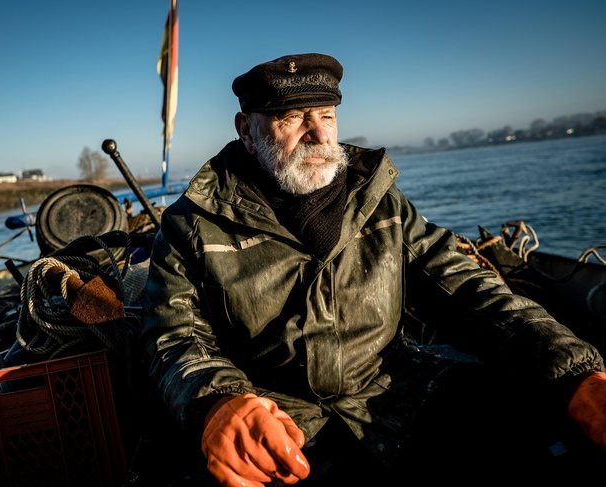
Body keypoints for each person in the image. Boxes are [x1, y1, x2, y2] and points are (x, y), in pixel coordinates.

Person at [138, 53, 606, 485]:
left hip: (396, 392)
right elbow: (175, 336)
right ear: (246, 129)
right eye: (291, 117)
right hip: (275, 416)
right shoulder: (192, 222)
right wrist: (217, 403)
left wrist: (574, 373)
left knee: (541, 433)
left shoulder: (379, 198)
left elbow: (466, 289)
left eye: (326, 115)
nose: (318, 134)